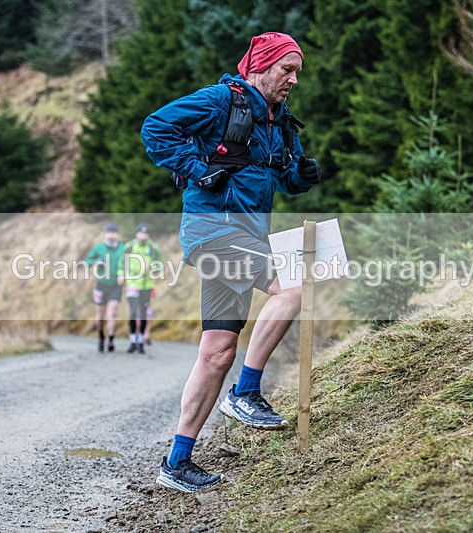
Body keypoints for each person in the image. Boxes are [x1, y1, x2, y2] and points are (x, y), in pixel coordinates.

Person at [141, 32, 321, 492]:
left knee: (216, 352)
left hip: (245, 236)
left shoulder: (279, 123)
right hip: (215, 232)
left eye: (297, 71)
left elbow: (285, 177)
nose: (294, 79)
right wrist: (198, 168)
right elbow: (155, 127)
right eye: (287, 69)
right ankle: (246, 392)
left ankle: (176, 463)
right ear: (260, 65)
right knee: (294, 286)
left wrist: (301, 176)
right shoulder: (222, 100)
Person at [118, 224, 162, 354]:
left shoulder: (154, 248)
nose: (143, 236)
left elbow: (160, 264)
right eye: (140, 233)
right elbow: (122, 262)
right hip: (132, 282)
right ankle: (132, 340)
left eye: (145, 233)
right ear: (137, 234)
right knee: (133, 311)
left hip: (146, 284)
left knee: (143, 313)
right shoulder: (129, 246)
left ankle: (141, 340)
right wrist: (121, 273)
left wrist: (152, 267)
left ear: (148, 235)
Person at [84, 222, 125, 352]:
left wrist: (124, 274)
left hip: (116, 286)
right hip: (101, 285)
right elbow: (87, 261)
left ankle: (111, 339)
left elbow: (129, 263)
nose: (111, 235)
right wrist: (96, 262)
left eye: (114, 233)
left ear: (118, 235)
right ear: (105, 234)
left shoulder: (123, 249)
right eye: (109, 232)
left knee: (112, 313)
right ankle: (101, 336)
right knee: (100, 315)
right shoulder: (99, 248)